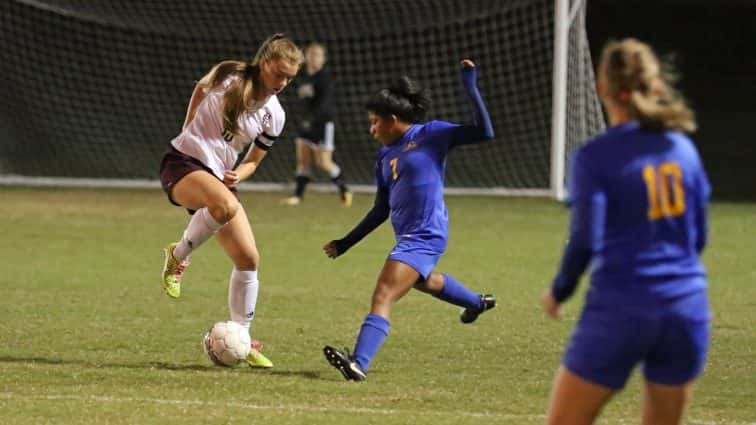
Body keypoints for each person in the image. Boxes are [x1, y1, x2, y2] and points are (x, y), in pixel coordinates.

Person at [542, 38, 711, 425]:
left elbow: (586, 236)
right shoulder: (683, 150)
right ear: (654, 85)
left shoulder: (595, 156)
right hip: (686, 309)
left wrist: (560, 290)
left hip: (622, 307)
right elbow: (698, 237)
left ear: (603, 89)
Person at [321, 59, 497, 381]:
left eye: (375, 122)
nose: (371, 130)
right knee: (424, 281)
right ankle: (477, 302)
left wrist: (470, 86)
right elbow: (380, 210)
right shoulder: (385, 157)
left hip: (426, 234)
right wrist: (346, 242)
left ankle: (359, 363)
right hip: (408, 237)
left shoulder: (431, 135)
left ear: (392, 120)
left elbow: (484, 133)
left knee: (384, 293)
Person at [158, 34, 304, 369]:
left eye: (289, 78)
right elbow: (199, 89)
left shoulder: (274, 115)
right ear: (264, 62)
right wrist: (188, 129)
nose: (283, 82)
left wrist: (242, 174)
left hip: (220, 181)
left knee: (249, 258)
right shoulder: (230, 75)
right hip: (183, 164)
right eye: (279, 73)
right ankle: (177, 256)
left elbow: (254, 159)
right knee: (225, 206)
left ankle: (241, 336)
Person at [283, 42, 352, 207]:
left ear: (323, 59)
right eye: (311, 54)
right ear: (306, 57)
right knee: (303, 161)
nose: (314, 57)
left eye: (318, 55)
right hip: (305, 125)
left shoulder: (325, 78)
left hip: (322, 124)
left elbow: (324, 104)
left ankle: (345, 189)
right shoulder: (302, 78)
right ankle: (298, 196)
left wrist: (311, 119)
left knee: (323, 163)